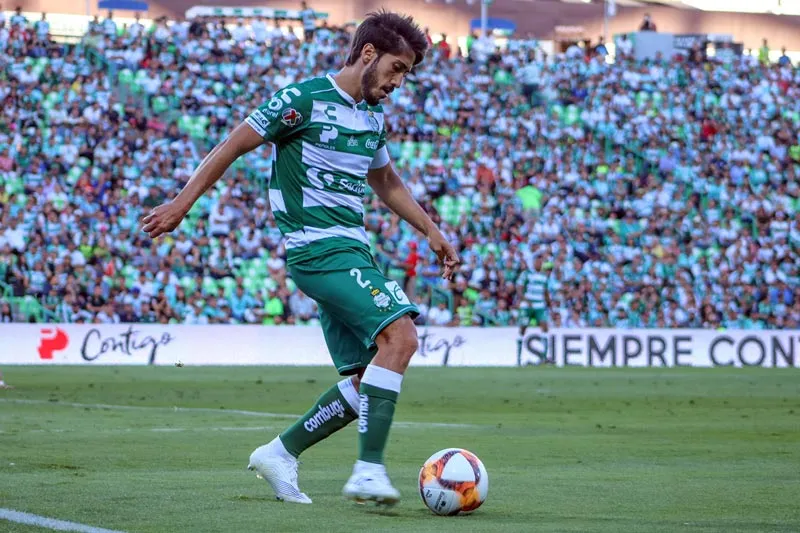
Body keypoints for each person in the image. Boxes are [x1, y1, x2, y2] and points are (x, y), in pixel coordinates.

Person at [141, 10, 459, 506]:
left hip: (351, 248)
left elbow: (386, 181)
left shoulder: (373, 115)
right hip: (317, 248)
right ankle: (368, 470)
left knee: (363, 381)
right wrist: (183, 203)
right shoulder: (302, 99)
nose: (399, 82)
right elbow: (234, 144)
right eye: (397, 68)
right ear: (368, 54)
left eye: (407, 74)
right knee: (401, 337)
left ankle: (280, 452)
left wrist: (430, 228)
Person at [517, 255, 551, 364]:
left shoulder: (544, 276)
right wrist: (525, 300)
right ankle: (518, 357)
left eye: (541, 262)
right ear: (534, 262)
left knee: (544, 327)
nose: (539, 264)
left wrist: (549, 303)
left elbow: (545, 291)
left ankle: (544, 357)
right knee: (523, 328)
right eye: (538, 262)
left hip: (539, 305)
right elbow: (519, 289)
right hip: (527, 306)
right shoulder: (526, 274)